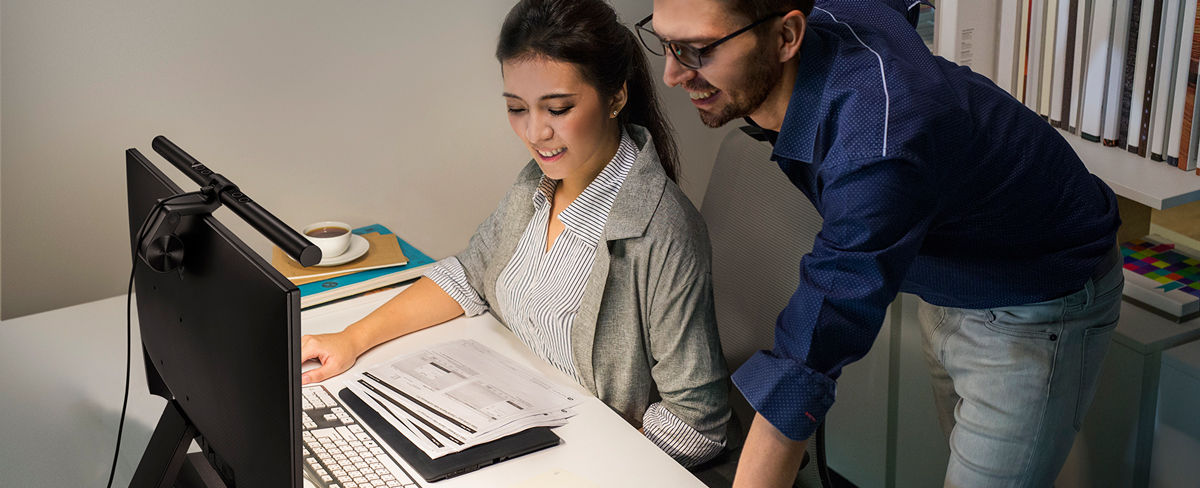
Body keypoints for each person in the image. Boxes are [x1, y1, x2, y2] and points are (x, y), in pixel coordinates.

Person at [639, 0, 1123, 485]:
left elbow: (812, 349)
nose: (672, 75)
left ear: (787, 37)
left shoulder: (877, 147)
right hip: (951, 272)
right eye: (665, 43)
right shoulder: (829, 17)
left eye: (697, 51)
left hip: (1036, 299)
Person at [299, 0, 730, 467]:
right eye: (516, 109)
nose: (536, 132)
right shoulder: (536, 184)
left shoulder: (662, 230)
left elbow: (696, 425)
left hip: (578, 463)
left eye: (559, 108)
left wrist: (583, 464)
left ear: (616, 97)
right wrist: (351, 338)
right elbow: (469, 274)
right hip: (501, 418)